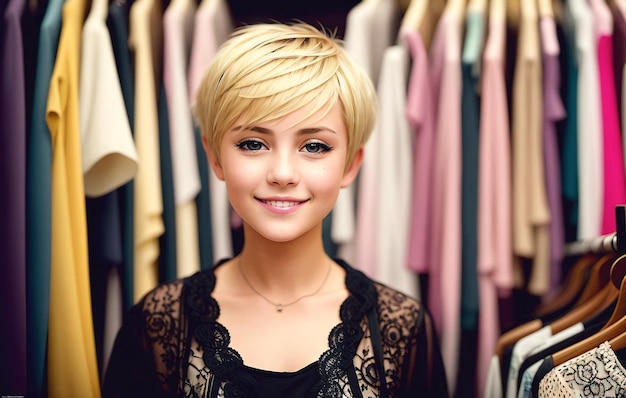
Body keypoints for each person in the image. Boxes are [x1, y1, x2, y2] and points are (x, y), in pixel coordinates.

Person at [103, 22, 448, 397]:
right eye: (253, 143)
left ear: (350, 163)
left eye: (314, 146)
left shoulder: (402, 327)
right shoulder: (157, 325)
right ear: (214, 156)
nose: (283, 174)